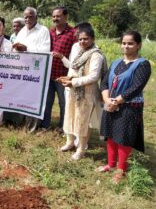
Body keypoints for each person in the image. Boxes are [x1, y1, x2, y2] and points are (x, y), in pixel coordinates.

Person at [97, 31, 151, 183]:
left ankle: (121, 169)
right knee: (110, 134)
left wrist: (117, 101)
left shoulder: (142, 64)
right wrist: (107, 100)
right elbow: (105, 83)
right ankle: (110, 164)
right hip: (111, 103)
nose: (126, 46)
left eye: (130, 43)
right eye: (124, 43)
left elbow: (136, 87)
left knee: (123, 137)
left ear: (138, 45)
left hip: (129, 106)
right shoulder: (115, 62)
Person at [58, 25, 106, 161]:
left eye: (86, 39)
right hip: (73, 90)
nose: (82, 42)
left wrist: (73, 82)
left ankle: (81, 149)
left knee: (83, 121)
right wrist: (68, 79)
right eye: (80, 39)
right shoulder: (80, 52)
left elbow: (93, 77)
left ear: (93, 39)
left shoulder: (96, 54)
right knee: (70, 115)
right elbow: (73, 69)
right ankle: (70, 142)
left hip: (87, 93)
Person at [12, 7, 51, 130]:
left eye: (30, 16)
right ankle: (21, 123)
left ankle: (33, 126)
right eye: (25, 17)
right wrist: (16, 48)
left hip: (36, 71)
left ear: (36, 17)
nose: (27, 19)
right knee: (22, 96)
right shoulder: (22, 31)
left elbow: (46, 51)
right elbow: (14, 49)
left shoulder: (43, 30)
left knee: (34, 98)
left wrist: (27, 49)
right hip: (21, 70)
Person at [40, 7, 76, 133]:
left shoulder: (73, 33)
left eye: (58, 16)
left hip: (64, 76)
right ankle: (45, 125)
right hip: (49, 74)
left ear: (66, 17)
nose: (55, 18)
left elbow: (76, 55)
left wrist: (62, 57)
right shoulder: (49, 33)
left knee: (64, 103)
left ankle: (63, 127)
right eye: (54, 16)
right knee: (47, 101)